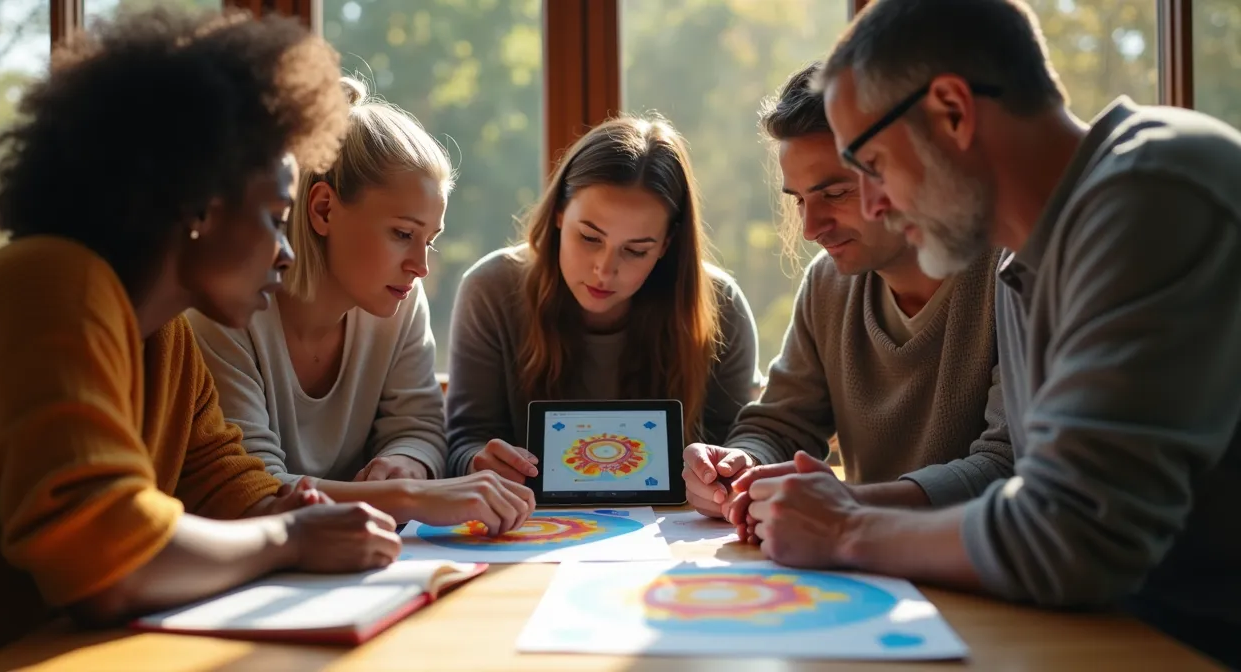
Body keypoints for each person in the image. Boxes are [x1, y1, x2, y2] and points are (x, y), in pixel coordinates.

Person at [738, 0, 1241, 666]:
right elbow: (1029, 495)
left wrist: (847, 527)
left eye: (875, 165)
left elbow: (1070, 538)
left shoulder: (1154, 187)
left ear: (952, 110)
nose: (874, 204)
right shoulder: (1023, 257)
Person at [0, 9, 401, 669]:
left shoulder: (165, 337)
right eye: (275, 218)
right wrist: (292, 534)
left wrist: (287, 508)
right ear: (200, 204)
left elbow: (221, 488)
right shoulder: (55, 285)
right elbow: (107, 566)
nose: (287, 254)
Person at [189, 77, 534, 534]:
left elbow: (419, 427)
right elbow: (250, 489)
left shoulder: (399, 304)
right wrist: (406, 496)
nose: (420, 267)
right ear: (324, 210)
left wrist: (406, 462)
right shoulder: (226, 313)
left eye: (429, 241)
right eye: (402, 234)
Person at [683, 61, 1012, 521]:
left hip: (977, 575)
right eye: (798, 200)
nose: (810, 229)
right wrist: (742, 466)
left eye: (834, 193)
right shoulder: (828, 283)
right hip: (871, 564)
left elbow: (1009, 466)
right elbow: (781, 424)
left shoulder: (1009, 273)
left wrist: (848, 506)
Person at [445, 115, 761, 481]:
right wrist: (479, 462)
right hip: (529, 524)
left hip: (677, 529)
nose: (605, 270)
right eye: (590, 238)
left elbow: (738, 441)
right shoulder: (492, 290)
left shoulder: (719, 304)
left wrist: (727, 470)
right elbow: (465, 440)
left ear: (666, 245)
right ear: (560, 213)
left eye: (636, 251)